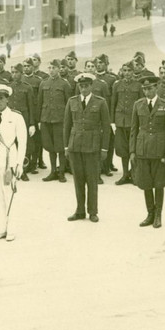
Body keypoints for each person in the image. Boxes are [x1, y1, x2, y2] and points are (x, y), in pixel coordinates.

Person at [129, 75, 165, 228]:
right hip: (142, 149)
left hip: (159, 149)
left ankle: (158, 215)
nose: (147, 91)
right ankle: (149, 214)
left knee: (159, 183)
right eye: (144, 88)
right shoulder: (138, 105)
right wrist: (132, 151)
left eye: (150, 88)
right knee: (146, 183)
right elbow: (133, 129)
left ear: (156, 88)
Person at [62, 73, 110, 223]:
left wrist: (104, 149)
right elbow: (67, 125)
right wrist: (66, 146)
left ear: (91, 86)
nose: (83, 89)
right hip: (75, 146)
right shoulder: (72, 101)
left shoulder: (100, 102)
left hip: (92, 146)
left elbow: (106, 127)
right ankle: (80, 210)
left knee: (92, 180)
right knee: (78, 180)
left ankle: (93, 211)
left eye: (86, 86)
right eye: (81, 86)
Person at [0, 85, 27, 241]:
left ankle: (11, 229)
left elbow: (22, 141)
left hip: (9, 162)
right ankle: (0, 228)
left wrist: (20, 164)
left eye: (2, 98)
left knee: (10, 195)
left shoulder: (16, 116)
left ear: (7, 99)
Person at [38, 60, 73, 182]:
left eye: (54, 67)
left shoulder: (64, 84)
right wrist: (39, 120)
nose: (51, 70)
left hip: (60, 119)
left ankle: (61, 172)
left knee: (61, 147)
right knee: (50, 146)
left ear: (58, 69)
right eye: (49, 67)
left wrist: (69, 121)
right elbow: (40, 102)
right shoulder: (43, 83)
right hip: (46, 119)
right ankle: (53, 171)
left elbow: (69, 104)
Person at [110, 63, 143, 185]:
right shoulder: (117, 85)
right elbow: (113, 103)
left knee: (134, 149)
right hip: (120, 121)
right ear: (122, 71)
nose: (127, 73)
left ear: (133, 71)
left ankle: (134, 174)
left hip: (133, 122)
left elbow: (141, 103)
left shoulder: (138, 85)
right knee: (123, 149)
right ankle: (125, 174)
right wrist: (112, 121)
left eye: (129, 70)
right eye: (125, 70)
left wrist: (140, 121)